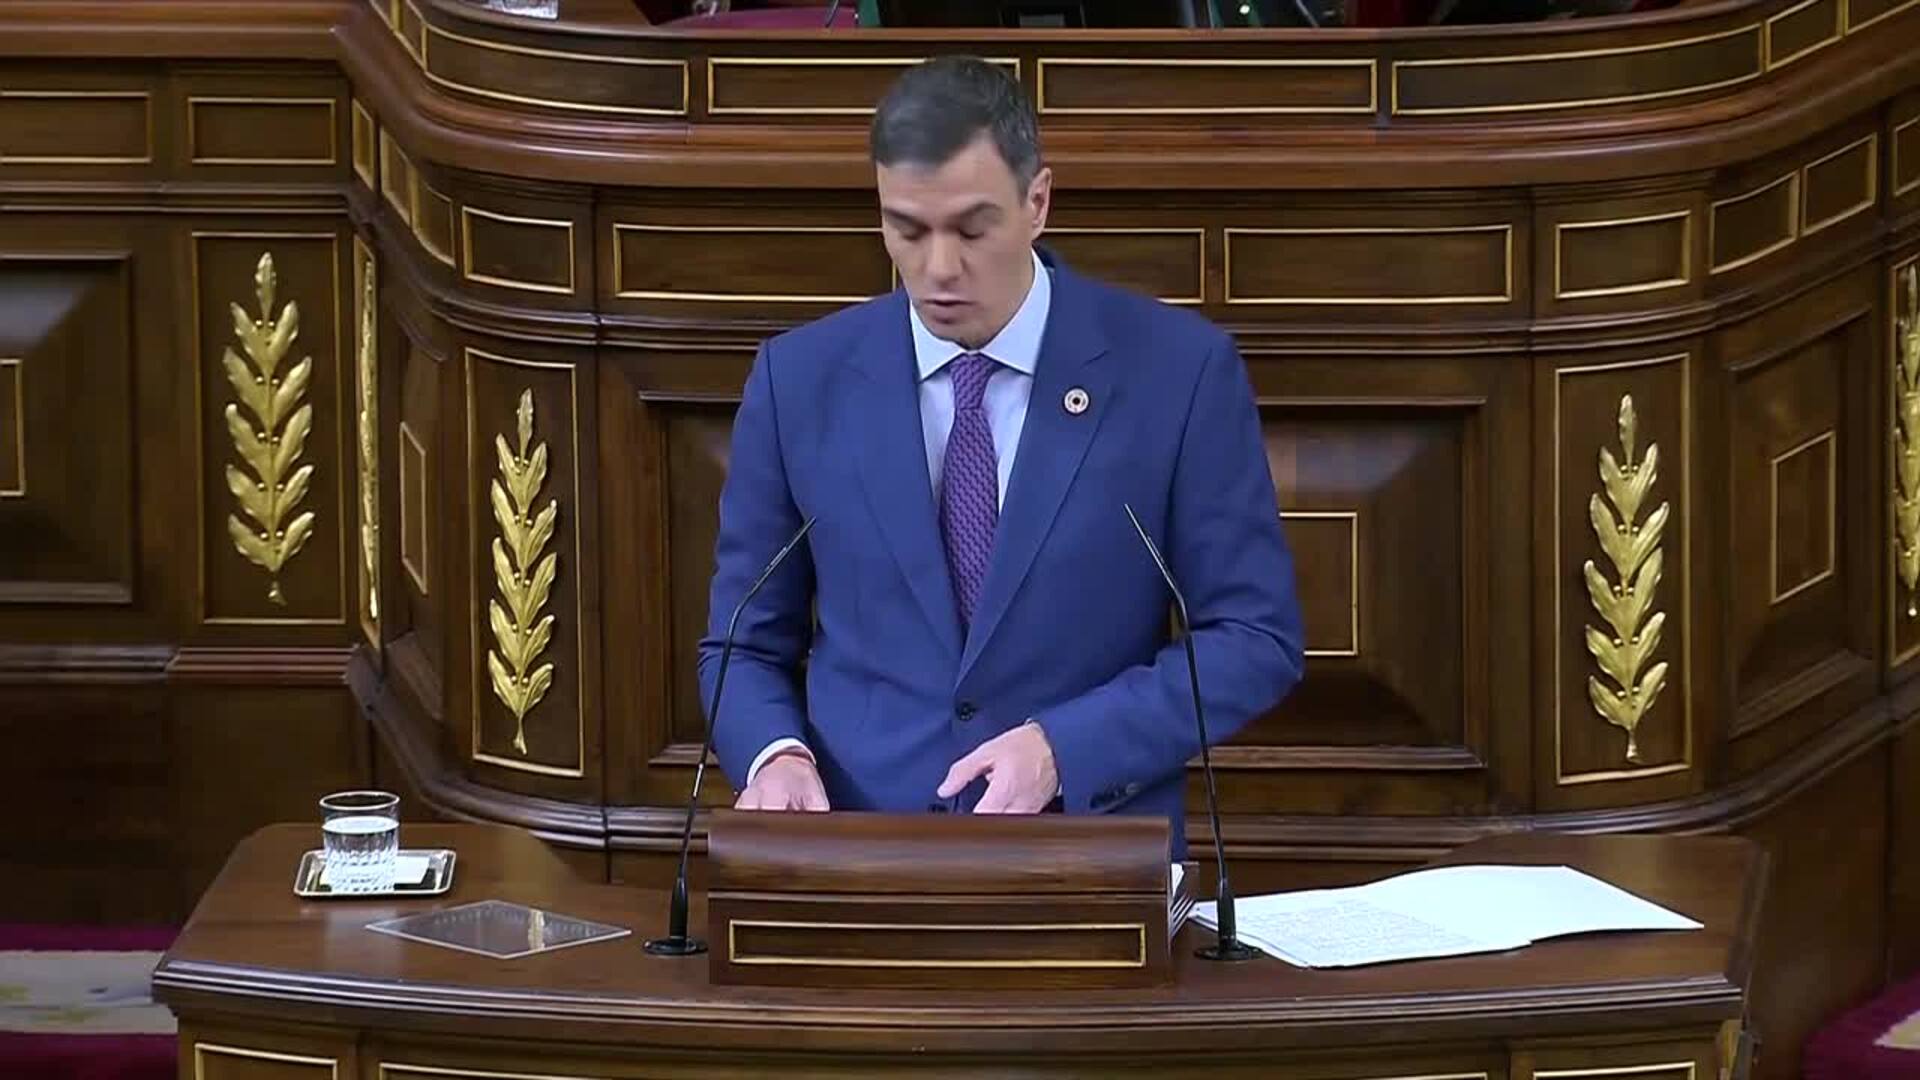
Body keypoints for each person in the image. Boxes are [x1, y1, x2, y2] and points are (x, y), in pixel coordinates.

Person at [697, 55, 1303, 855]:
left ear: (1037, 202)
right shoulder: (800, 380)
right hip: (862, 854)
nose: (938, 268)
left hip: (1087, 857)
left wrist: (1065, 749)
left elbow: (1255, 638)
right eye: (908, 229)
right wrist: (776, 755)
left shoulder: (1177, 374)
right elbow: (742, 644)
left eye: (971, 229)